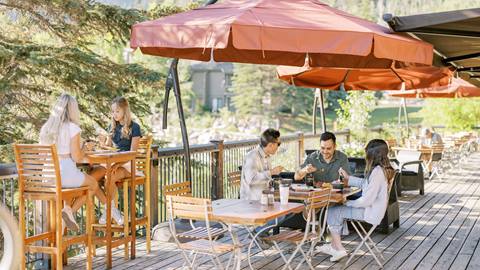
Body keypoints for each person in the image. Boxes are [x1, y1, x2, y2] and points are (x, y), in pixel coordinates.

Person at [316, 139, 395, 262]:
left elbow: (366, 201)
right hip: (374, 211)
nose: (365, 155)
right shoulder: (381, 170)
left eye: (366, 152)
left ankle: (339, 248)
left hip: (370, 212)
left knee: (333, 211)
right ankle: (333, 246)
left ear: (372, 154)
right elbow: (366, 184)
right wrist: (348, 178)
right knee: (337, 210)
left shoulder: (377, 172)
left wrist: (347, 202)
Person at [39, 93, 107, 231]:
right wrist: (85, 148)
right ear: (72, 110)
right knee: (93, 184)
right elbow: (77, 158)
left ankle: (67, 211)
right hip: (64, 173)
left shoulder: (46, 127)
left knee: (74, 186)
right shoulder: (72, 128)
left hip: (47, 177)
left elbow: (41, 156)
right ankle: (69, 211)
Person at [98, 96, 142, 225]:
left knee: (109, 177)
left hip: (128, 163)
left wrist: (118, 163)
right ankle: (111, 210)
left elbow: (133, 152)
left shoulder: (135, 127)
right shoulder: (112, 126)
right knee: (99, 176)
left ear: (125, 110)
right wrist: (102, 144)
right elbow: (109, 148)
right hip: (115, 162)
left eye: (117, 111)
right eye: (112, 111)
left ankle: (109, 212)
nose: (114, 114)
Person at [240, 128, 284, 200]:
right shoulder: (252, 156)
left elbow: (265, 178)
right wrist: (271, 172)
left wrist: (272, 182)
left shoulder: (267, 156)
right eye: (278, 144)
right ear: (270, 145)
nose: (278, 146)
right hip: (251, 202)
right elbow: (251, 180)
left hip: (264, 199)